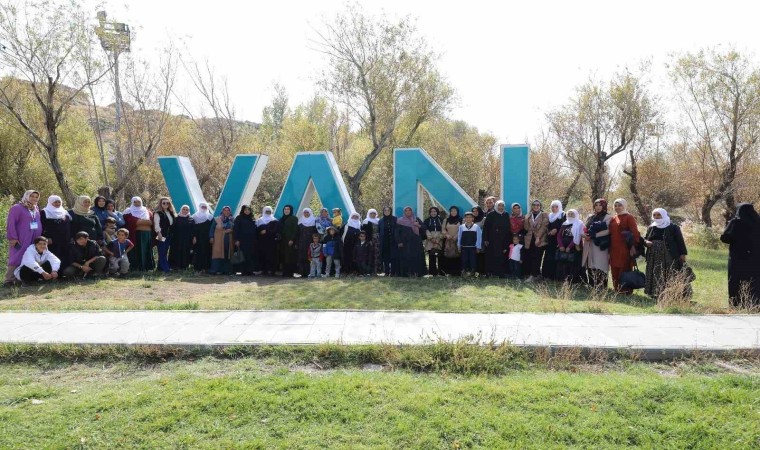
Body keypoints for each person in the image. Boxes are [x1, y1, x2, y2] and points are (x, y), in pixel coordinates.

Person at [644, 208, 689, 299]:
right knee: (654, 272)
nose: (656, 217)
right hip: (653, 255)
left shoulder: (673, 227)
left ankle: (670, 293)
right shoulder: (651, 227)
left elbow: (680, 241)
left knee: (668, 272)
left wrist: (682, 254)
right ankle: (654, 292)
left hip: (668, 254)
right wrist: (646, 242)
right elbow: (645, 238)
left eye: (658, 215)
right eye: (654, 215)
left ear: (664, 215)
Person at [720, 203, 760, 307]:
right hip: (755, 258)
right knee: (754, 281)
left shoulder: (735, 222)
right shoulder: (757, 222)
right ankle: (754, 303)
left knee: (736, 280)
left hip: (737, 257)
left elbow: (725, 238)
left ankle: (736, 303)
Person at [5, 190, 42, 286]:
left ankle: (23, 278)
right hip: (21, 237)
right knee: (17, 256)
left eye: (36, 197)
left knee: (30, 256)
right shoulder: (17, 207)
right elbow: (11, 223)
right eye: (32, 196)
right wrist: (13, 237)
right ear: (26, 196)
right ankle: (10, 280)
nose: (34, 198)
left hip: (34, 237)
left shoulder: (36, 208)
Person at [609, 198, 641, 294]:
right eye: (615, 205)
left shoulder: (629, 217)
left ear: (624, 206)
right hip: (614, 247)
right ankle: (616, 289)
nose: (617, 207)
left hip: (625, 248)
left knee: (624, 267)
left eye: (620, 205)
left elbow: (635, 233)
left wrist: (633, 247)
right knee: (614, 267)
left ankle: (625, 290)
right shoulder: (613, 218)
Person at [582, 199, 612, 289]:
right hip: (589, 243)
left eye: (600, 205)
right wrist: (584, 235)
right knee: (590, 263)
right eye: (596, 205)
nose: (598, 207)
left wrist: (594, 235)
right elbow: (584, 228)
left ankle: (601, 286)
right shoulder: (590, 217)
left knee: (600, 263)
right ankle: (592, 285)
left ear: (604, 206)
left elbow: (608, 230)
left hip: (600, 244)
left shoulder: (608, 217)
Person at [40, 194, 72, 273]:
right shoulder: (45, 212)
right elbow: (43, 226)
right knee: (53, 256)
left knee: (64, 255)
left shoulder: (64, 212)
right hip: (52, 240)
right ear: (50, 203)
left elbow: (69, 225)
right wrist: (47, 237)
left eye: (59, 202)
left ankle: (61, 274)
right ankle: (51, 273)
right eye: (55, 202)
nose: (57, 204)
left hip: (65, 239)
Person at [123, 196, 154, 272]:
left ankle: (147, 267)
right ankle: (137, 268)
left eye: (139, 202)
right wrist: (144, 222)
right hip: (136, 234)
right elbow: (133, 222)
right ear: (132, 202)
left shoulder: (147, 211)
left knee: (147, 250)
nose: (137, 203)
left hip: (147, 234)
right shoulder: (128, 211)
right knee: (137, 250)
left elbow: (151, 222)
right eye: (135, 202)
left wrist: (141, 222)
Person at [395, 206, 426, 277]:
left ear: (412, 211)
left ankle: (417, 273)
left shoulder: (416, 219)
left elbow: (424, 228)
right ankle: (406, 273)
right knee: (406, 257)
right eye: (406, 210)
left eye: (409, 210)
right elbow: (397, 232)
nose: (408, 212)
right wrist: (399, 241)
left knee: (416, 257)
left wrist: (418, 225)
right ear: (404, 212)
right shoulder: (400, 220)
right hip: (405, 243)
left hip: (416, 242)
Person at [523, 199, 550, 282]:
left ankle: (535, 275)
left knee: (537, 257)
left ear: (540, 206)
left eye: (538, 205)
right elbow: (526, 228)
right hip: (530, 239)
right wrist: (526, 220)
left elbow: (544, 227)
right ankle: (533, 274)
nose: (536, 206)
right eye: (534, 205)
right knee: (530, 257)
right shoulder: (529, 215)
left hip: (540, 240)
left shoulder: (544, 215)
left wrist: (538, 238)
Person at [483, 200, 511, 278]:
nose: (501, 207)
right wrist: (485, 239)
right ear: (496, 206)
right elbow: (486, 228)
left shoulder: (506, 215)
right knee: (491, 256)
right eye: (499, 205)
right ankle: (490, 272)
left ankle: (500, 273)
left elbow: (508, 228)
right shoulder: (491, 215)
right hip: (492, 239)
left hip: (503, 240)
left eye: (502, 206)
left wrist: (507, 241)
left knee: (501, 256)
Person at [556, 209, 583, 283]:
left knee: (572, 262)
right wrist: (561, 245)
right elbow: (559, 235)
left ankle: (573, 280)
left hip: (574, 246)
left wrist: (569, 247)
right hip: (564, 245)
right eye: (569, 214)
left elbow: (577, 237)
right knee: (563, 261)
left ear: (576, 215)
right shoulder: (565, 223)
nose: (570, 215)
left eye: (572, 214)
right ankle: (562, 279)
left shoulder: (579, 224)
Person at [543, 200, 565, 280]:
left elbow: (564, 226)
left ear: (559, 207)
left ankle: (554, 276)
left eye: (556, 206)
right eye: (552, 206)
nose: (554, 208)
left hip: (558, 240)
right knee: (548, 256)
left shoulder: (563, 215)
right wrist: (549, 231)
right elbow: (546, 226)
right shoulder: (550, 216)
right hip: (550, 239)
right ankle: (546, 275)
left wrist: (557, 230)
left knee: (555, 257)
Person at [209, 206, 234, 275]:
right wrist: (211, 237)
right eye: (225, 210)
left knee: (226, 254)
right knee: (217, 254)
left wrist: (231, 230)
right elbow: (212, 229)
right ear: (222, 211)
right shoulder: (217, 219)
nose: (226, 212)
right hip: (218, 240)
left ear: (230, 212)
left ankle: (226, 270)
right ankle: (215, 270)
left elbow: (235, 228)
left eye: (228, 210)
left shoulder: (232, 219)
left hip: (228, 240)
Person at [153, 197, 176, 273]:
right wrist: (159, 233)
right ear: (161, 204)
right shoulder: (157, 213)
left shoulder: (171, 212)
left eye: (168, 203)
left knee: (165, 251)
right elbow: (156, 224)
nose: (166, 204)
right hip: (161, 235)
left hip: (169, 235)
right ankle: (166, 269)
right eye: (164, 203)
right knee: (162, 251)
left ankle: (160, 268)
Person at [233, 205, 258, 276]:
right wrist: (236, 239)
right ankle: (243, 271)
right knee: (243, 255)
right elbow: (236, 229)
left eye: (248, 210)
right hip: (242, 240)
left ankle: (250, 270)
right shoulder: (239, 218)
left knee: (250, 255)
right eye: (245, 210)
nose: (247, 211)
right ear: (243, 210)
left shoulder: (252, 218)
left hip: (251, 240)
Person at [171, 205, 196, 271]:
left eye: (187, 210)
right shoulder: (176, 218)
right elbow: (173, 229)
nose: (185, 211)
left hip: (187, 239)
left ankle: (185, 266)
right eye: (184, 209)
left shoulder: (191, 219)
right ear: (181, 210)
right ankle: (177, 266)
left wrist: (194, 237)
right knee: (177, 251)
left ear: (189, 211)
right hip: (177, 239)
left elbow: (194, 229)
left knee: (186, 251)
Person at [256, 206, 278, 275]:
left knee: (271, 255)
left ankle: (271, 270)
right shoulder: (259, 220)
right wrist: (260, 232)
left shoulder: (275, 220)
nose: (268, 212)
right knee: (262, 255)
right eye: (266, 211)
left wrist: (267, 231)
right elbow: (256, 230)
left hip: (271, 241)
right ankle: (263, 270)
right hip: (262, 241)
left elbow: (276, 230)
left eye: (269, 211)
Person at [457, 211, 482, 276]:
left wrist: (478, 247)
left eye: (470, 217)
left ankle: (473, 272)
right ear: (464, 218)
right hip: (464, 247)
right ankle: (464, 271)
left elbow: (479, 237)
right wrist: (459, 246)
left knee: (473, 260)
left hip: (473, 247)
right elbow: (459, 237)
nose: (468, 219)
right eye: (467, 217)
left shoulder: (476, 227)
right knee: (464, 260)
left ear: (473, 218)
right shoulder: (461, 227)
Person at [191, 202, 214, 273]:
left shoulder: (210, 217)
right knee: (198, 252)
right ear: (199, 207)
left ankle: (206, 268)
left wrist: (211, 237)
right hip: (198, 238)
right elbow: (192, 228)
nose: (204, 208)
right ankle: (198, 268)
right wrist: (194, 237)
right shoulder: (194, 216)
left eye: (205, 207)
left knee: (207, 252)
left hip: (207, 238)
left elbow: (212, 228)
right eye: (202, 207)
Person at [277, 205, 299, 277]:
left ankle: (290, 272)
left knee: (290, 256)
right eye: (285, 209)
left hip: (289, 240)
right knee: (283, 256)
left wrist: (292, 239)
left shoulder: (294, 218)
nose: (286, 210)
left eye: (288, 209)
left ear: (291, 210)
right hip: (282, 240)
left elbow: (295, 230)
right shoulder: (281, 219)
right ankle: (284, 271)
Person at [297, 208, 318, 277]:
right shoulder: (300, 221)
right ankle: (301, 273)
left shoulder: (314, 221)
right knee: (301, 257)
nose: (306, 214)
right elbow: (298, 233)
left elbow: (316, 233)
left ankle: (310, 273)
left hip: (310, 242)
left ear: (310, 213)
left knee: (310, 256)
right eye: (305, 212)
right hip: (301, 242)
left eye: (307, 212)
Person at [442, 206, 463, 276]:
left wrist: (457, 236)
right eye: (452, 211)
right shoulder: (446, 220)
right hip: (448, 241)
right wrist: (447, 235)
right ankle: (449, 272)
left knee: (457, 255)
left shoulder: (461, 219)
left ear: (457, 212)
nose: (453, 212)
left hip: (457, 240)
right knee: (449, 255)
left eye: (455, 211)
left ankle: (457, 272)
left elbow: (462, 229)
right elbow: (443, 229)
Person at [424, 207, 444, 276]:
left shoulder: (442, 220)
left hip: (439, 240)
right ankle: (432, 272)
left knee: (440, 256)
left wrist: (439, 239)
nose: (433, 213)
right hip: (430, 240)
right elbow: (426, 230)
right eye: (431, 211)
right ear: (430, 213)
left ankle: (441, 272)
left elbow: (443, 230)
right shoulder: (426, 220)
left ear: (437, 212)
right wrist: (431, 238)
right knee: (432, 256)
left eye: (435, 211)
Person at [377, 207, 398, 276]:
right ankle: (386, 272)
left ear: (390, 211)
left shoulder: (395, 219)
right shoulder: (381, 221)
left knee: (393, 257)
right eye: (385, 210)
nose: (387, 211)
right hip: (384, 242)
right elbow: (379, 231)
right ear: (383, 211)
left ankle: (393, 272)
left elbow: (398, 230)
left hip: (393, 241)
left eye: (388, 210)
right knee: (386, 257)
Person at [361, 209, 381, 275]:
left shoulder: (378, 221)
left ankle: (376, 270)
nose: (373, 214)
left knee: (377, 255)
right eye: (371, 213)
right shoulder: (365, 221)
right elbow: (364, 232)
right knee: (370, 255)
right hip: (370, 240)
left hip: (378, 240)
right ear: (369, 214)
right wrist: (367, 240)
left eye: (374, 213)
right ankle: (369, 271)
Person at [472, 206, 486, 275]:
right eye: (473, 211)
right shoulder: (471, 219)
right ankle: (474, 271)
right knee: (474, 256)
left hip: (480, 241)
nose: (475, 213)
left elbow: (485, 230)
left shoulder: (483, 219)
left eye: (476, 211)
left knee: (481, 256)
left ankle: (481, 272)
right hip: (472, 241)